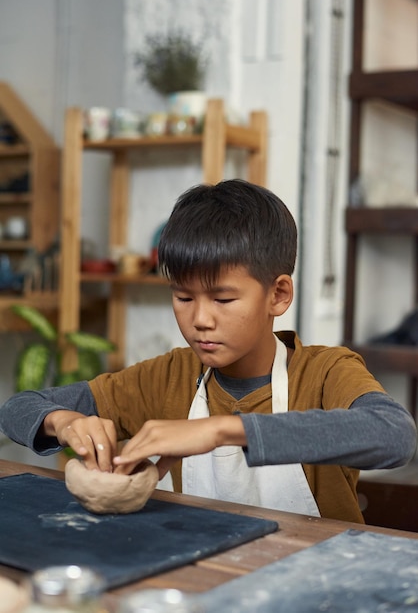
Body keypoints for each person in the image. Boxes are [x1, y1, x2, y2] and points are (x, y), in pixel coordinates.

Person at [0, 179, 416, 523]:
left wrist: (218, 431)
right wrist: (65, 421)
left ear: (278, 294)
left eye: (223, 299)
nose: (200, 319)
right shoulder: (166, 379)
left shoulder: (324, 373)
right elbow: (16, 409)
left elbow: (394, 435)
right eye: (183, 298)